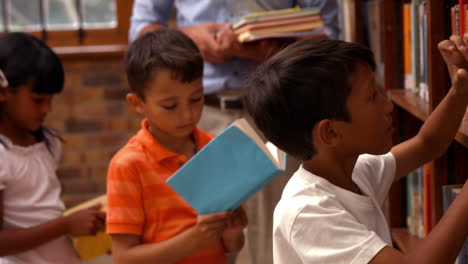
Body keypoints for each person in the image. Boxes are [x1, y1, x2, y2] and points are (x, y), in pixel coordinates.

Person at [129, 2, 339, 263]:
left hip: (278, 110)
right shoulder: (134, 161)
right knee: (208, 234)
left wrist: (274, 49)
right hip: (200, 112)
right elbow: (141, 28)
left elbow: (329, 35)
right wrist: (189, 40)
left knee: (282, 234)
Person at [245, 37, 468, 264]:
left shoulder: (354, 172)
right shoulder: (308, 212)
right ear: (330, 133)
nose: (388, 105)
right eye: (372, 96)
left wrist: (460, 88)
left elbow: (428, 144)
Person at [106, 28, 247, 264]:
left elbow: (231, 247)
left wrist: (232, 232)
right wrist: (196, 238)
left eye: (196, 99)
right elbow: (124, 258)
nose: (187, 114)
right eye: (170, 106)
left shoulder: (213, 148)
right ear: (138, 103)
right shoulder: (128, 165)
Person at [0, 32, 105, 264]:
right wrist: (65, 225)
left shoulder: (47, 142)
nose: (48, 109)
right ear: (3, 92)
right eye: (38, 100)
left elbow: (45, 213)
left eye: (51, 99)